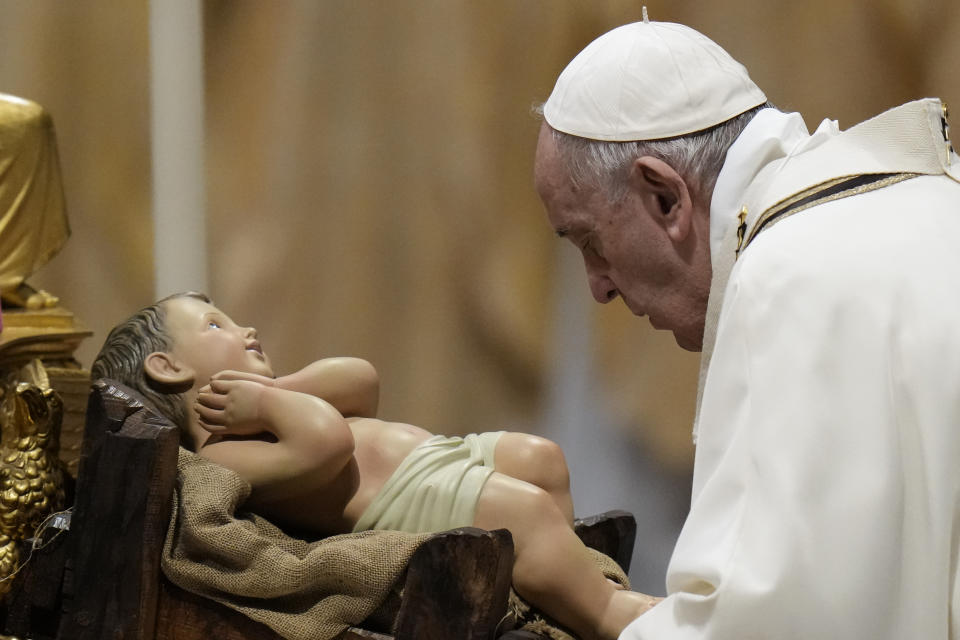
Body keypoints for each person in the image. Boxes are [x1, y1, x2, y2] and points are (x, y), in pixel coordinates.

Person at [533, 15, 960, 640]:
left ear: (665, 197)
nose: (598, 287)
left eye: (591, 241)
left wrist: (593, 603)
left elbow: (773, 626)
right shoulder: (931, 203)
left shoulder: (788, 275)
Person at [91, 291, 660, 640]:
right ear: (166, 367)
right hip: (410, 501)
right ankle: (605, 613)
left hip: (442, 458)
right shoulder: (222, 453)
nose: (246, 330)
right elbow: (327, 444)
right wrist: (267, 404)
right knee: (529, 514)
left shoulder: (278, 402)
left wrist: (275, 389)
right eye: (215, 326)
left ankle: (550, 595)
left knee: (542, 460)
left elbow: (360, 380)